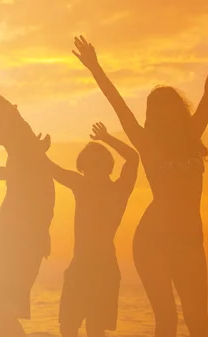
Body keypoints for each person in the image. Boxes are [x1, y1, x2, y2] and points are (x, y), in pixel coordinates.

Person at [72, 26, 208, 337]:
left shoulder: (192, 135)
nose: (164, 118)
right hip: (153, 240)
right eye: (157, 113)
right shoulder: (147, 143)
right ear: (153, 117)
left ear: (179, 111)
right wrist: (94, 66)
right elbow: (119, 105)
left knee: (199, 322)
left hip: (190, 240)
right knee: (167, 321)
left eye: (169, 110)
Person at [0, 75, 54, 337]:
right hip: (14, 239)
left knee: (1, 311)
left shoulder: (26, 145)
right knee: (0, 312)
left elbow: (10, 111)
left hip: (24, 241)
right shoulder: (23, 152)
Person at [47, 123, 138, 337]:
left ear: (106, 166)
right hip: (81, 266)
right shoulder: (84, 185)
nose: (89, 172)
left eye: (94, 166)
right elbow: (53, 170)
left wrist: (106, 138)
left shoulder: (115, 189)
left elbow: (134, 158)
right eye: (87, 168)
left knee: (93, 329)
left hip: (102, 268)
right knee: (69, 327)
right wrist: (36, 148)